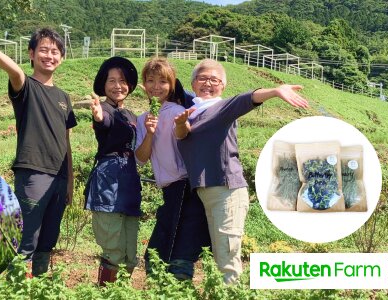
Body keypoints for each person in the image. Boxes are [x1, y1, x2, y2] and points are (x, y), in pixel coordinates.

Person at [174, 59, 308, 284]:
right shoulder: (192, 112)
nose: (208, 83)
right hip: (205, 192)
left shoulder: (222, 107)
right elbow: (181, 131)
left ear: (223, 86)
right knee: (218, 254)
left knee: (227, 257)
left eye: (214, 80)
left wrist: (275, 91)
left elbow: (247, 99)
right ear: (193, 83)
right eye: (202, 78)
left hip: (226, 190)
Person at [0, 28, 77, 277]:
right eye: (44, 50)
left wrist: (70, 180)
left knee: (48, 241)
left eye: (55, 51)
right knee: (26, 239)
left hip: (59, 178)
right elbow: (15, 72)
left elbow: (67, 141)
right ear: (31, 53)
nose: (50, 55)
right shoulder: (25, 87)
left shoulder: (64, 98)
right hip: (33, 174)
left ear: (62, 57)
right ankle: (17, 287)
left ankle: (37, 286)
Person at [135, 57, 210, 280]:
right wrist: (149, 132)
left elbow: (184, 134)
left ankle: (176, 289)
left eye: (163, 81)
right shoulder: (142, 119)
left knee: (168, 252)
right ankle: (171, 289)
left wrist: (180, 125)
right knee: (171, 249)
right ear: (144, 84)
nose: (156, 86)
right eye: (151, 81)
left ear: (172, 84)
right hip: (169, 191)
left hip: (185, 187)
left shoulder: (179, 111)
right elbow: (141, 158)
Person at [84, 56, 142, 286]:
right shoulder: (105, 108)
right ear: (103, 84)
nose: (118, 86)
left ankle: (122, 291)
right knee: (112, 245)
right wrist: (97, 115)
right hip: (109, 177)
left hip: (129, 178)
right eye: (112, 81)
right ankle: (105, 292)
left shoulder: (132, 115)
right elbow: (103, 121)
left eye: (123, 81)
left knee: (130, 251)